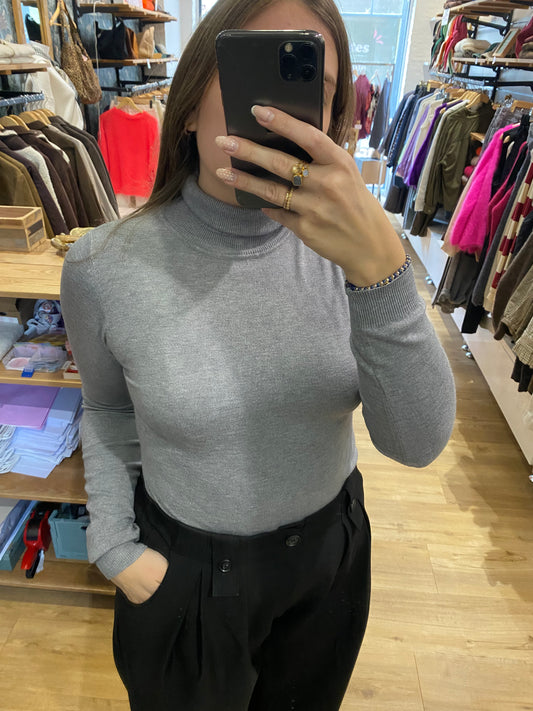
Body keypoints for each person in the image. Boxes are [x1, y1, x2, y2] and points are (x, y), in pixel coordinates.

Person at [60, 1, 456, 709]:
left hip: (328, 565)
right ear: (188, 106)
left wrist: (384, 275)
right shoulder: (103, 266)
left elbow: (417, 443)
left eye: (309, 87)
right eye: (249, 74)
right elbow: (108, 408)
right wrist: (115, 546)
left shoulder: (358, 253)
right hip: (183, 570)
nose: (272, 113)